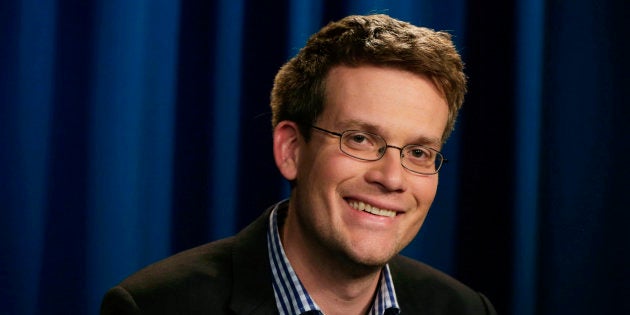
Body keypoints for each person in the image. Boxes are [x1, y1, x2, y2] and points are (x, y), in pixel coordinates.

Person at [101, 14, 497, 315]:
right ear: (291, 149)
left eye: (418, 152)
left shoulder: (463, 309)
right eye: (359, 139)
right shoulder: (154, 307)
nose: (392, 178)